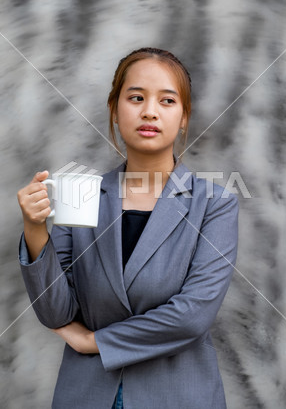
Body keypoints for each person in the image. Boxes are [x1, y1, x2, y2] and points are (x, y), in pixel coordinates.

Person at [17, 47, 238, 408]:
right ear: (114, 110)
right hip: (87, 395)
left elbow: (192, 316)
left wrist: (94, 342)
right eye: (136, 97)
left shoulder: (215, 204)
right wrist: (35, 227)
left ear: (184, 117)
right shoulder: (83, 193)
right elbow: (57, 312)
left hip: (178, 395)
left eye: (167, 101)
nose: (149, 110)